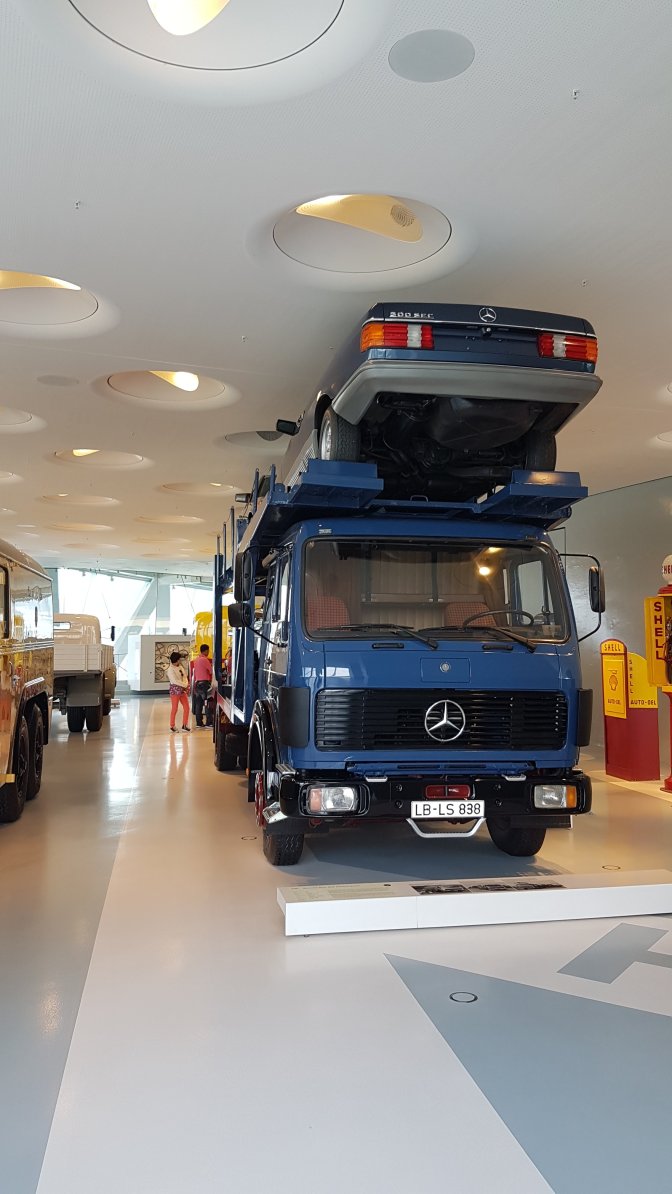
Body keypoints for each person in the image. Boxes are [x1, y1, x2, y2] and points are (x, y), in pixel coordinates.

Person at [166, 650, 190, 732]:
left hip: (182, 690)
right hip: (175, 691)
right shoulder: (170, 670)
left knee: (186, 707)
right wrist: (185, 685)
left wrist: (186, 684)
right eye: (179, 659)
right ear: (176, 660)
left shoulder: (180, 667)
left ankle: (185, 724)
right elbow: (175, 681)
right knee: (175, 708)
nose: (180, 661)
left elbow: (185, 676)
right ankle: (172, 725)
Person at [190, 643, 213, 728]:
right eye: (208, 651)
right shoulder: (204, 659)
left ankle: (199, 723)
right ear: (206, 651)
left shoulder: (196, 660)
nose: (208, 652)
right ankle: (209, 722)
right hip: (204, 685)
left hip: (197, 684)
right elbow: (211, 671)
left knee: (198, 704)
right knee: (206, 703)